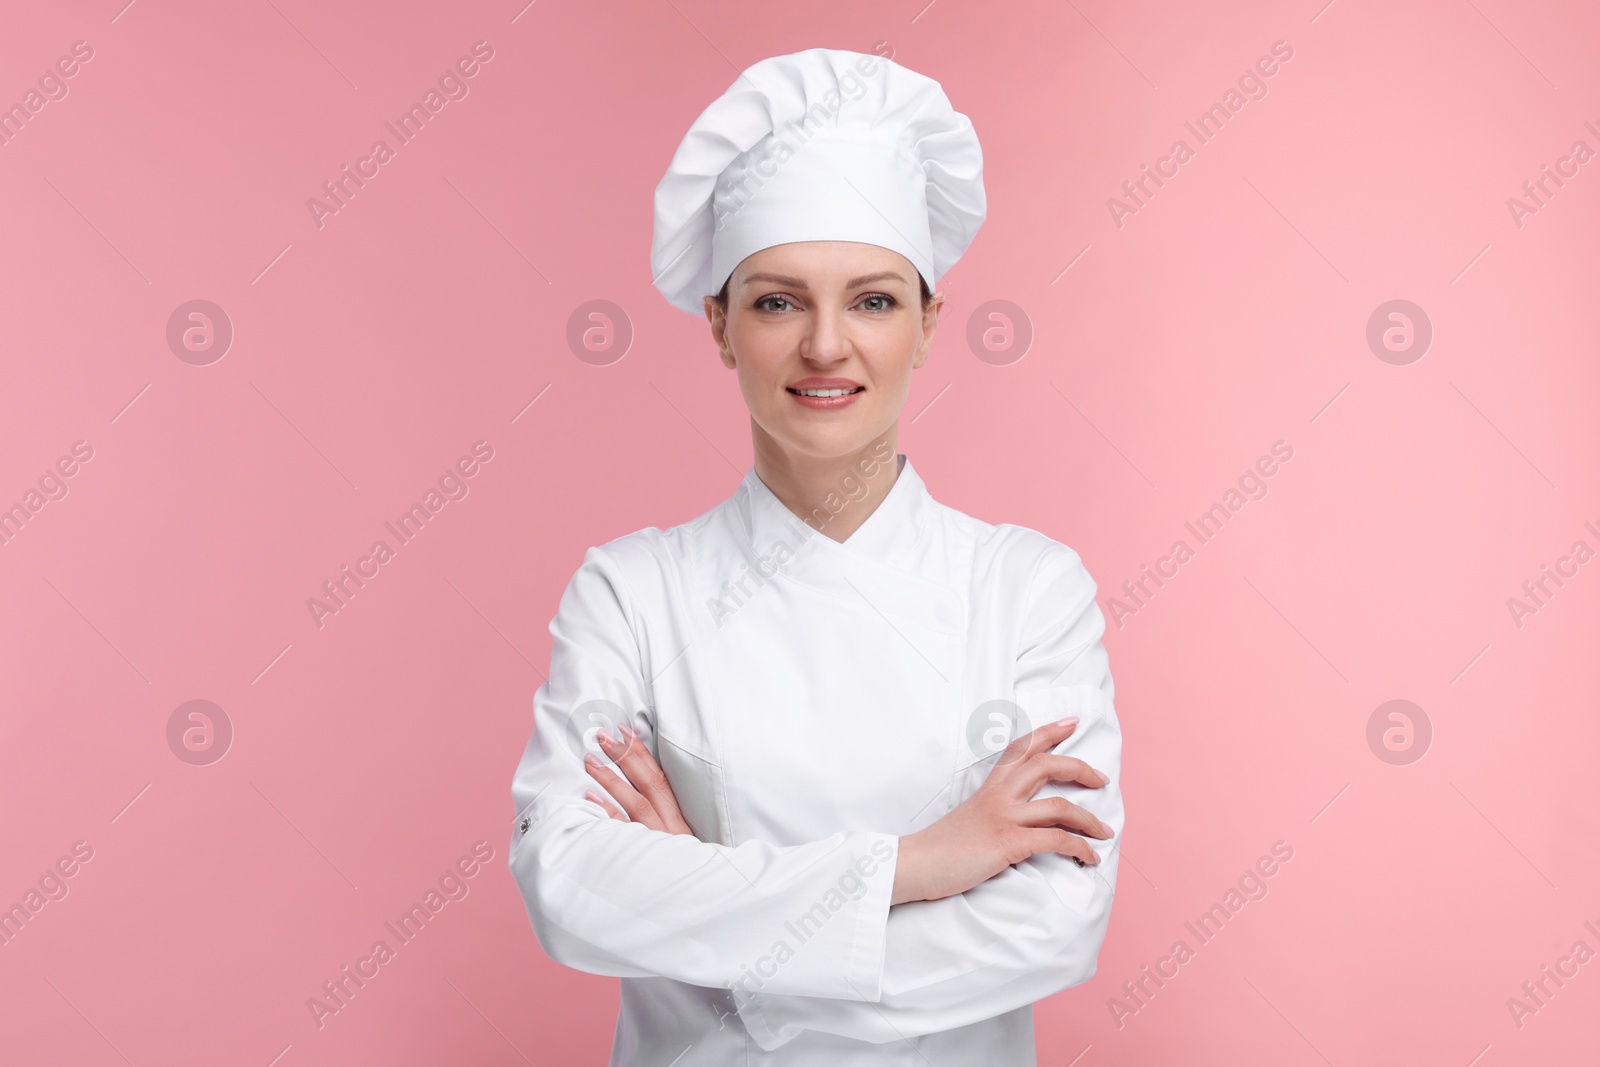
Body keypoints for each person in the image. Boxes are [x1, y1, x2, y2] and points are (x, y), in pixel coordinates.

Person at [508, 47, 1125, 1066]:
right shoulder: (630, 591)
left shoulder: (1026, 589)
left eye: (875, 300)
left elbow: (1053, 922)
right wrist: (922, 862)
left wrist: (727, 959)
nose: (827, 345)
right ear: (718, 323)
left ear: (928, 323)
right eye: (777, 300)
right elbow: (568, 889)